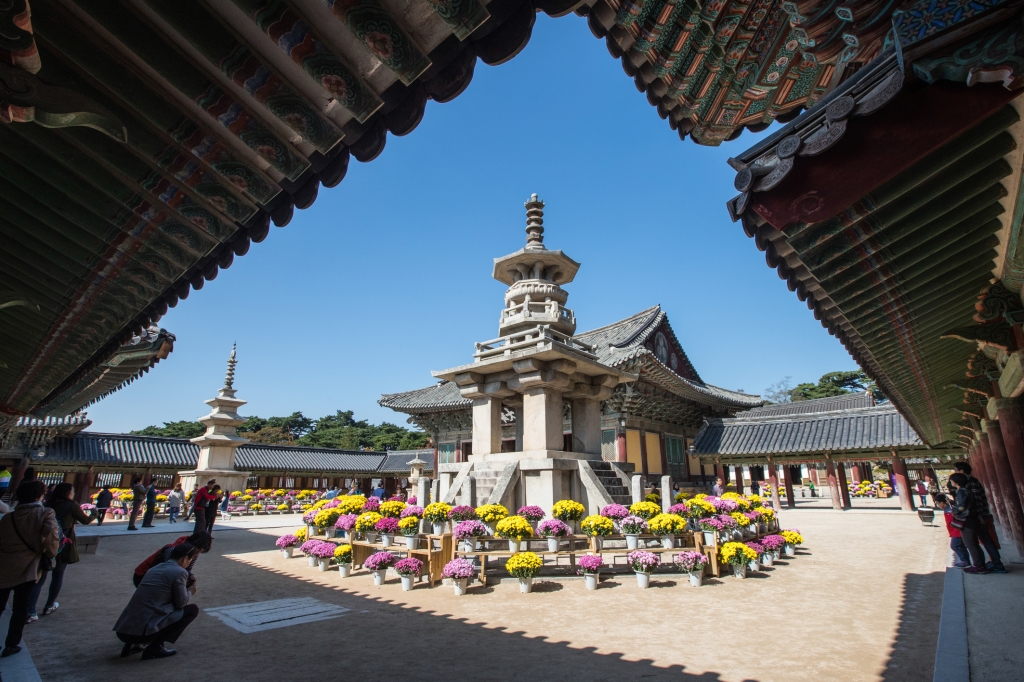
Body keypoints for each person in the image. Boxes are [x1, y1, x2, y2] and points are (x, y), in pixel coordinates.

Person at [0, 480, 59, 658]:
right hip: (28, 566)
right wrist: (50, 553)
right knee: (21, 607)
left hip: (4, 564)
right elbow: (51, 535)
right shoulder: (45, 513)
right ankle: (11, 644)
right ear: (39, 496)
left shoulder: (8, 517)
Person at [113, 542, 200, 660]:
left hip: (123, 630)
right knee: (192, 610)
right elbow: (181, 603)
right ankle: (155, 646)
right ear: (185, 558)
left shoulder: (154, 568)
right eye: (190, 560)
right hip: (142, 633)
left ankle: (132, 645)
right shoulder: (180, 572)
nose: (189, 563)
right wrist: (189, 591)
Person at [27, 483, 95, 621]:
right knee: (58, 575)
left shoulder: (48, 504)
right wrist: (95, 513)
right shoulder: (72, 505)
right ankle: (49, 605)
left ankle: (31, 611)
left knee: (41, 577)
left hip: (47, 542)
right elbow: (86, 521)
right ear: (68, 493)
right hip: (64, 542)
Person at [953, 462, 1006, 573]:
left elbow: (977, 501)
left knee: (980, 541)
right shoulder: (969, 482)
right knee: (984, 540)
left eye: (955, 470)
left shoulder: (971, 482)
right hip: (977, 516)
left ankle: (993, 564)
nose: (954, 472)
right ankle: (994, 563)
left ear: (961, 471)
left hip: (976, 517)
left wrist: (981, 516)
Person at [133, 531, 213, 587]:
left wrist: (190, 576)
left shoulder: (194, 552)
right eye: (200, 547)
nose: (201, 550)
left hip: (158, 576)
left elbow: (187, 569)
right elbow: (167, 571)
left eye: (204, 548)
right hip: (143, 576)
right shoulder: (172, 550)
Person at [935, 493, 970, 568]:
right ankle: (966, 560)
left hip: (956, 531)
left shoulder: (950, 510)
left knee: (955, 545)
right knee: (960, 546)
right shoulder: (948, 509)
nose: (938, 505)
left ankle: (965, 560)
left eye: (938, 503)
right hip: (954, 531)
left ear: (942, 503)